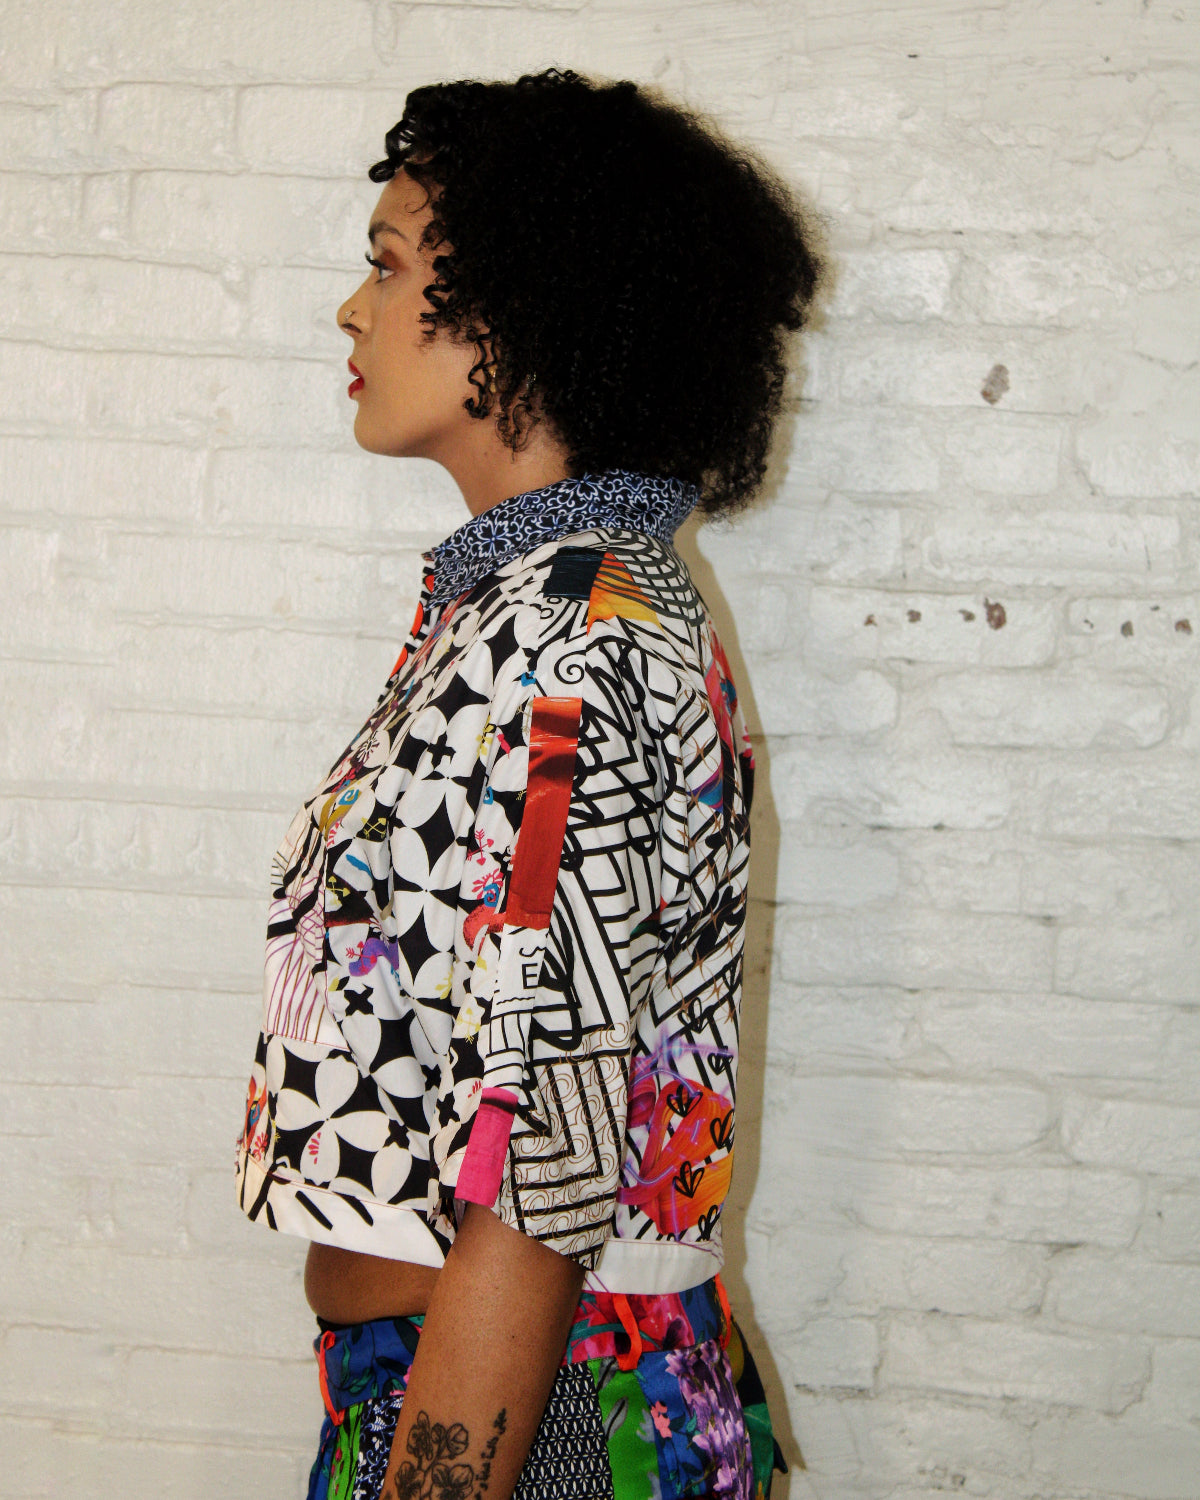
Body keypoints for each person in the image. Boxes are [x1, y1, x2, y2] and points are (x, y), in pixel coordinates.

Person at [234, 67, 822, 1500]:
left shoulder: (572, 644)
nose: (354, 310)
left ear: (522, 309)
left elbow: (544, 1159)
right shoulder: (535, 610)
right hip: (501, 1387)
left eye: (389, 266)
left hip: (537, 1412)